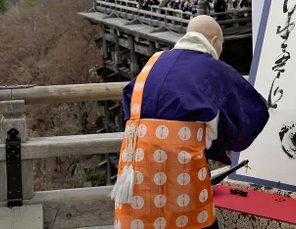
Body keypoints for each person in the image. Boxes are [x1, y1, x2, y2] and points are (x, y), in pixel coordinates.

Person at [111, 15, 269, 229]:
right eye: (222, 43)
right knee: (191, 221)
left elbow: (130, 99)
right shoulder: (211, 68)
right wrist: (219, 139)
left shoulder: (154, 61)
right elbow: (252, 110)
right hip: (179, 167)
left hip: (137, 166)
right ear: (214, 41)